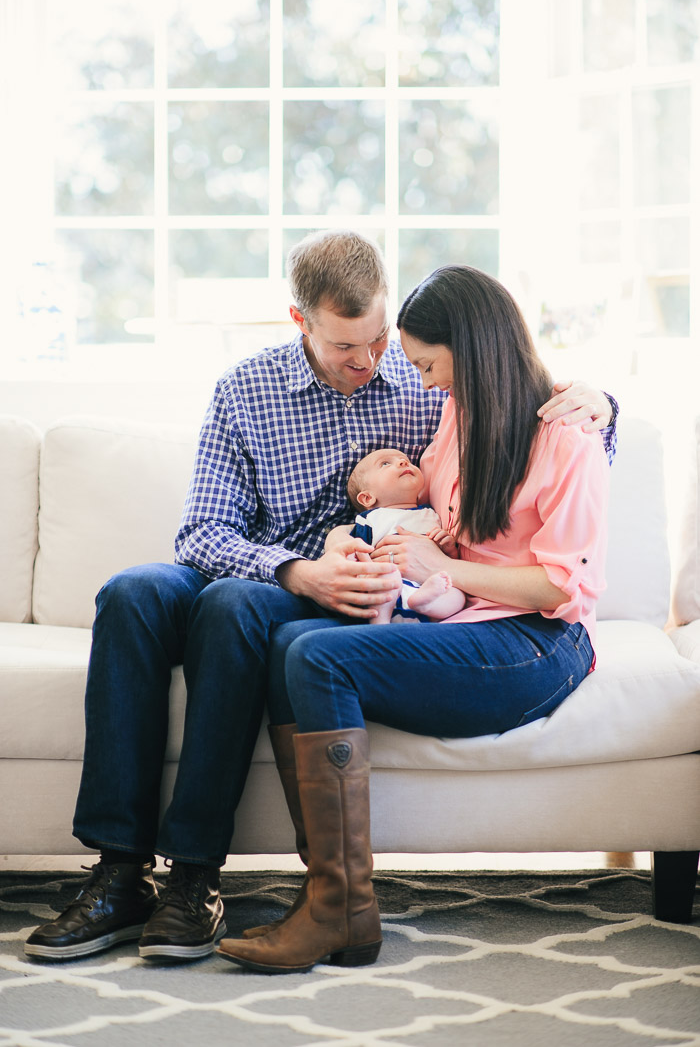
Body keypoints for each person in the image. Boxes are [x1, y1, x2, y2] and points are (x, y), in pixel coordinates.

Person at [25, 232, 617, 965]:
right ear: (300, 322)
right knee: (132, 595)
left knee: (234, 610)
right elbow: (203, 531)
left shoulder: (430, 380)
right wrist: (294, 569)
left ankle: (194, 878)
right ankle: (119, 876)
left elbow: (526, 424)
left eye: (379, 340)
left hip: (346, 590)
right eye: (348, 346)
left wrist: (603, 405)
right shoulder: (247, 389)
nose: (371, 361)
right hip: (278, 571)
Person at [217, 264, 611, 976]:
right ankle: (335, 898)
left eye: (429, 364)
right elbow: (403, 509)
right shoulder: (459, 416)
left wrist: (444, 569)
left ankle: (341, 905)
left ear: (473, 348)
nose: (424, 382)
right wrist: (355, 542)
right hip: (465, 625)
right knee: (289, 641)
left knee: (319, 656)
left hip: (537, 642)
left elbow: (560, 589)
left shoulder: (568, 437)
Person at [337, 447, 466, 623]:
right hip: (390, 584)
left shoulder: (431, 513)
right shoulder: (371, 519)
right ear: (368, 498)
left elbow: (448, 562)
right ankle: (379, 622)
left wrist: (449, 548)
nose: (403, 462)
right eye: (385, 463)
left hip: (427, 585)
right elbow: (356, 552)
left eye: (406, 460)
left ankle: (423, 603)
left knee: (458, 596)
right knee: (384, 578)